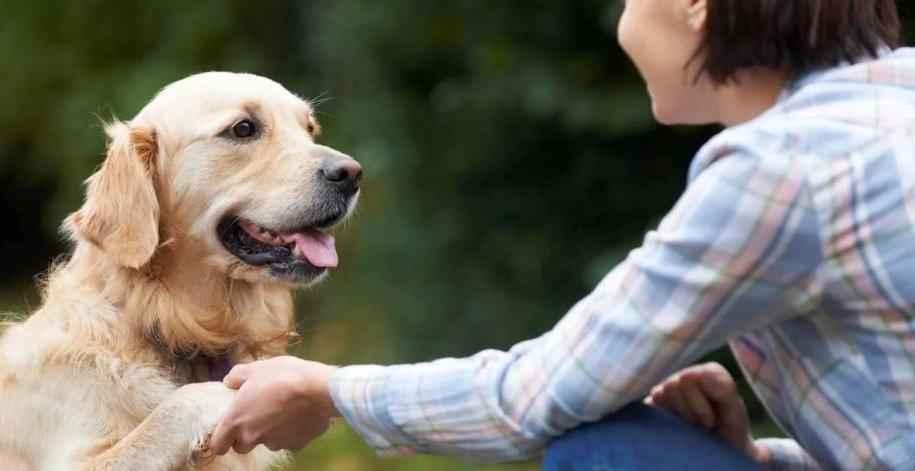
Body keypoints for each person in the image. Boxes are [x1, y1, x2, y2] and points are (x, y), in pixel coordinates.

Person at [209, 0, 915, 468]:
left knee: (607, 446)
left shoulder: (779, 169)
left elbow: (536, 396)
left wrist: (325, 388)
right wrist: (755, 457)